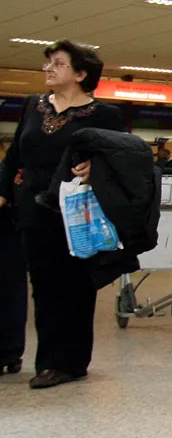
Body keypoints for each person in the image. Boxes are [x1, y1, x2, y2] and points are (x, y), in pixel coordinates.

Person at [0, 40, 125, 388]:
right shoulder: (33, 106)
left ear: (81, 74)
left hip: (77, 209)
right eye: (48, 63)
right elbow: (14, 156)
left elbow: (124, 156)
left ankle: (70, 362)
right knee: (43, 285)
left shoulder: (104, 114)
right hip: (32, 207)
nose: (48, 69)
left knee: (75, 284)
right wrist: (2, 191)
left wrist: (96, 167)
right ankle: (48, 361)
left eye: (58, 64)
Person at [0, 136, 27, 376]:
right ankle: (9, 350)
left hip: (7, 225)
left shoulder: (10, 166)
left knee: (9, 287)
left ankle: (8, 350)